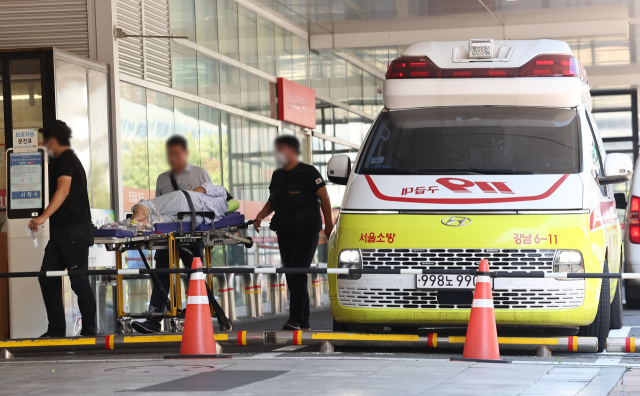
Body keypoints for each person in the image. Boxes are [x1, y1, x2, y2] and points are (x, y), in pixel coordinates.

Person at [132, 135, 216, 334]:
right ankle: (154, 319)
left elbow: (210, 201)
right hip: (168, 235)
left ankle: (200, 317)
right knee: (161, 273)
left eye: (177, 153)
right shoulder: (162, 178)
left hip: (192, 233)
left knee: (194, 275)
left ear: (186, 154)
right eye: (170, 154)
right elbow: (159, 208)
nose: (173, 157)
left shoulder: (199, 173)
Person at [254, 135, 334, 331]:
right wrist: (260, 216)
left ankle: (295, 319)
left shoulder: (308, 172)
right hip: (285, 231)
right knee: (292, 274)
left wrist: (329, 225)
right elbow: (272, 202)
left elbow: (324, 197)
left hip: (306, 232)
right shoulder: (278, 175)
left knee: (297, 272)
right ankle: (303, 319)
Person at [30, 120, 96, 338]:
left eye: (46, 139)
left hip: (74, 230)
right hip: (61, 232)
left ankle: (89, 333)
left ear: (54, 140)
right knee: (47, 276)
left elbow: (63, 190)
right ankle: (56, 330)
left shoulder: (66, 159)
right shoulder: (60, 160)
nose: (44, 143)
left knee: (78, 281)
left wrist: (42, 217)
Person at [130, 182, 228, 225]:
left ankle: (138, 215)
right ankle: (144, 222)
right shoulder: (222, 212)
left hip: (188, 199)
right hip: (195, 217)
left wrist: (191, 190)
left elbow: (202, 189)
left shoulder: (223, 192)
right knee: (157, 220)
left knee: (152, 205)